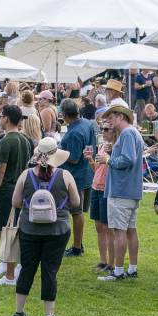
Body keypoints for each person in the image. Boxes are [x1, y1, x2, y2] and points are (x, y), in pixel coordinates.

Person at [11, 138, 80, 316]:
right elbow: (76, 203)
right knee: (50, 271)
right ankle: (49, 315)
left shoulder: (25, 175)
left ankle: (19, 312)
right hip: (57, 230)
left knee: (27, 268)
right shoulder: (65, 175)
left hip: (29, 229)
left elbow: (15, 202)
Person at [0, 105, 32, 285]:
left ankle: (10, 275)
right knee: (14, 230)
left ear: (6, 118)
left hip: (7, 190)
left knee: (8, 232)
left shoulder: (5, 141)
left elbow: (0, 171)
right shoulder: (25, 140)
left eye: (1, 116)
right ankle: (12, 267)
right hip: (21, 188)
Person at [97, 105, 144, 282]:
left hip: (121, 191)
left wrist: (108, 159)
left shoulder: (127, 134)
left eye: (110, 117)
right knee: (130, 230)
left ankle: (118, 271)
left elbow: (127, 159)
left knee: (119, 231)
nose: (108, 121)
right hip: (129, 190)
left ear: (120, 117)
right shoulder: (131, 133)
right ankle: (132, 268)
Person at [58, 99, 95, 257]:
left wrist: (57, 152)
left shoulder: (74, 133)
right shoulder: (87, 123)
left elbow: (73, 158)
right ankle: (78, 244)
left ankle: (77, 246)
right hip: (86, 173)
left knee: (76, 212)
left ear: (65, 115)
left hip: (75, 177)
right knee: (77, 212)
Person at [91, 120, 115, 274]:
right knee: (99, 227)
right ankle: (102, 261)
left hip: (107, 190)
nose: (103, 132)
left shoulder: (115, 147)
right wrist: (90, 160)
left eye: (107, 129)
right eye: (102, 129)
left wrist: (111, 154)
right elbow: (96, 169)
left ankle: (111, 263)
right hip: (96, 187)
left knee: (108, 228)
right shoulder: (101, 146)